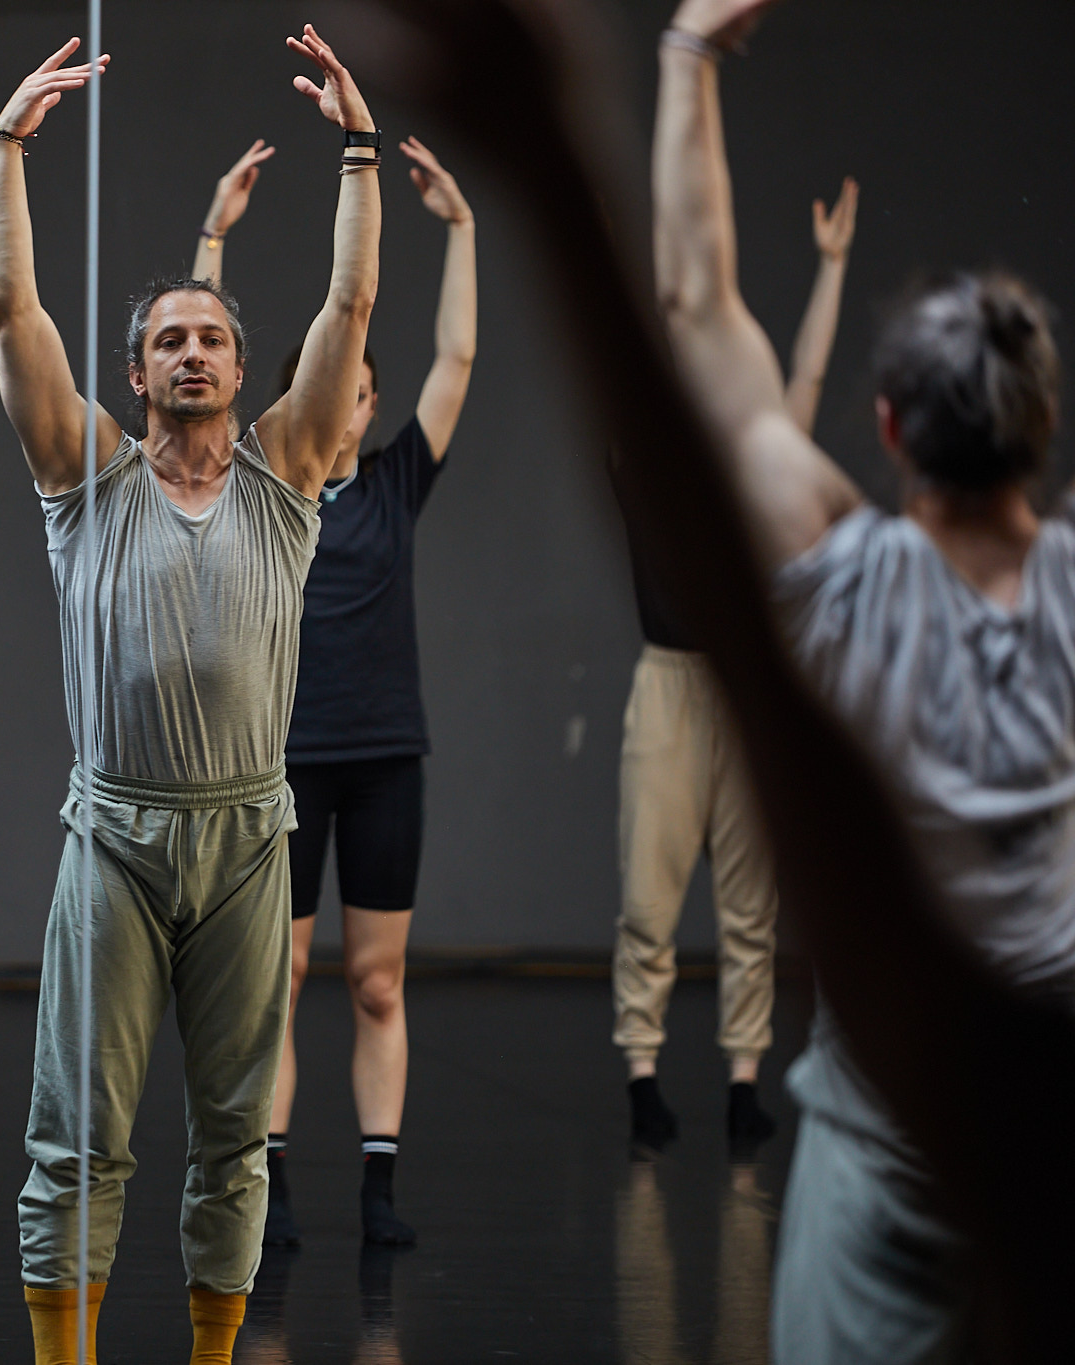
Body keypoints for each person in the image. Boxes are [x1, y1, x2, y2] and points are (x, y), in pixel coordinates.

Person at [354, 0, 1075, 1356]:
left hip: (890, 1121)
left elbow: (694, 318)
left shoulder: (851, 577)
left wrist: (681, 58)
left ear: (886, 427)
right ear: (1036, 429)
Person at [0, 26, 380, 1365]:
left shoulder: (286, 475)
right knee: (78, 1139)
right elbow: (12, 312)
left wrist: (360, 151)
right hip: (114, 838)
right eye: (170, 340)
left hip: (248, 842)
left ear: (239, 366)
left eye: (213, 337)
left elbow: (351, 311)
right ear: (137, 372)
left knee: (234, 1140)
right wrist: (8, 147)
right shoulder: (86, 476)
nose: (194, 353)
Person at [190, 136, 478, 1247]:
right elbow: (198, 367)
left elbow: (456, 357)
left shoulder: (397, 481)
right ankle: (270, 1185)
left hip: (385, 758)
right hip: (288, 761)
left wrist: (462, 228)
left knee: (375, 982)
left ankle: (377, 1186)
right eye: (333, 391)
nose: (348, 408)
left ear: (371, 405)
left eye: (362, 395)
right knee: (281, 977)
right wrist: (213, 235)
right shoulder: (267, 487)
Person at [612, 176, 858, 1155]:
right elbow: (634, 352)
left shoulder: (759, 462)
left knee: (752, 904)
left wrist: (831, 269)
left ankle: (744, 1077)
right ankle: (641, 1072)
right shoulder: (641, 456)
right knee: (648, 896)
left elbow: (804, 377)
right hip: (668, 686)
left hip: (746, 694)